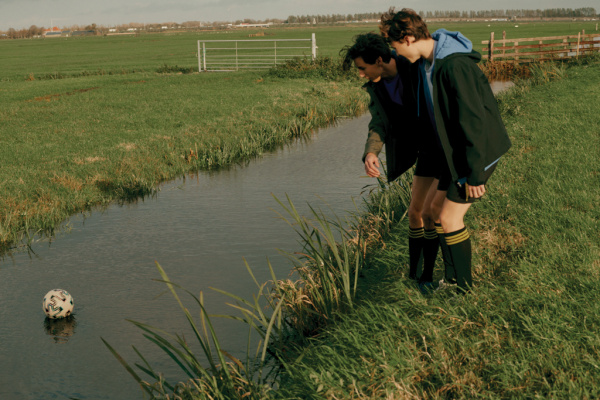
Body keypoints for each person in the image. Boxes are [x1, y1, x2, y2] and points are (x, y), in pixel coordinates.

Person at [379, 9, 512, 294]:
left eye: (396, 45)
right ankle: (451, 280)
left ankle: (464, 291)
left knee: (450, 219)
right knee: (436, 212)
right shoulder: (429, 63)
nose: (396, 52)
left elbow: (473, 121)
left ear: (409, 38)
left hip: (480, 150)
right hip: (459, 151)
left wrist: (474, 175)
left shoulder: (453, 66)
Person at [341, 33, 446, 291]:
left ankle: (429, 277)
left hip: (443, 147)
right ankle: (413, 276)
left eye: (362, 68)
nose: (361, 74)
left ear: (379, 60)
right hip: (425, 150)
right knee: (414, 213)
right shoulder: (377, 86)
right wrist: (371, 153)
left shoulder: (414, 66)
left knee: (432, 215)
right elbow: (379, 122)